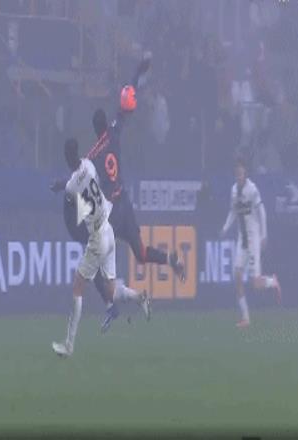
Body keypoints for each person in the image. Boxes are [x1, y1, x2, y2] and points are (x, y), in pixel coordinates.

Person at [52, 56, 185, 330]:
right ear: (105, 124)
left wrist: (59, 184)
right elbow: (126, 103)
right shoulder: (113, 134)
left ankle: (111, 306)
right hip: (125, 203)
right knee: (142, 252)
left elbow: (78, 176)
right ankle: (170, 259)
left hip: (112, 212)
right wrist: (137, 73)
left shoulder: (92, 156)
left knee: (96, 264)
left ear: (94, 130)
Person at [52, 139, 150, 358]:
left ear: (67, 158)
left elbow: (72, 194)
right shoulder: (88, 165)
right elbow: (83, 182)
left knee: (78, 287)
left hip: (97, 237)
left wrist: (59, 186)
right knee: (111, 290)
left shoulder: (71, 186)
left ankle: (69, 345)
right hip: (109, 230)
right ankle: (139, 298)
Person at [220, 157, 282, 328]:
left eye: (241, 173)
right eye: (236, 173)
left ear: (245, 173)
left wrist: (264, 235)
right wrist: (225, 228)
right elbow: (233, 211)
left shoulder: (252, 189)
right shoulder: (234, 190)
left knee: (256, 284)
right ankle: (246, 318)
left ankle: (272, 282)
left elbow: (262, 212)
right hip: (242, 240)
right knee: (237, 276)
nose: (239, 176)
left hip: (254, 239)